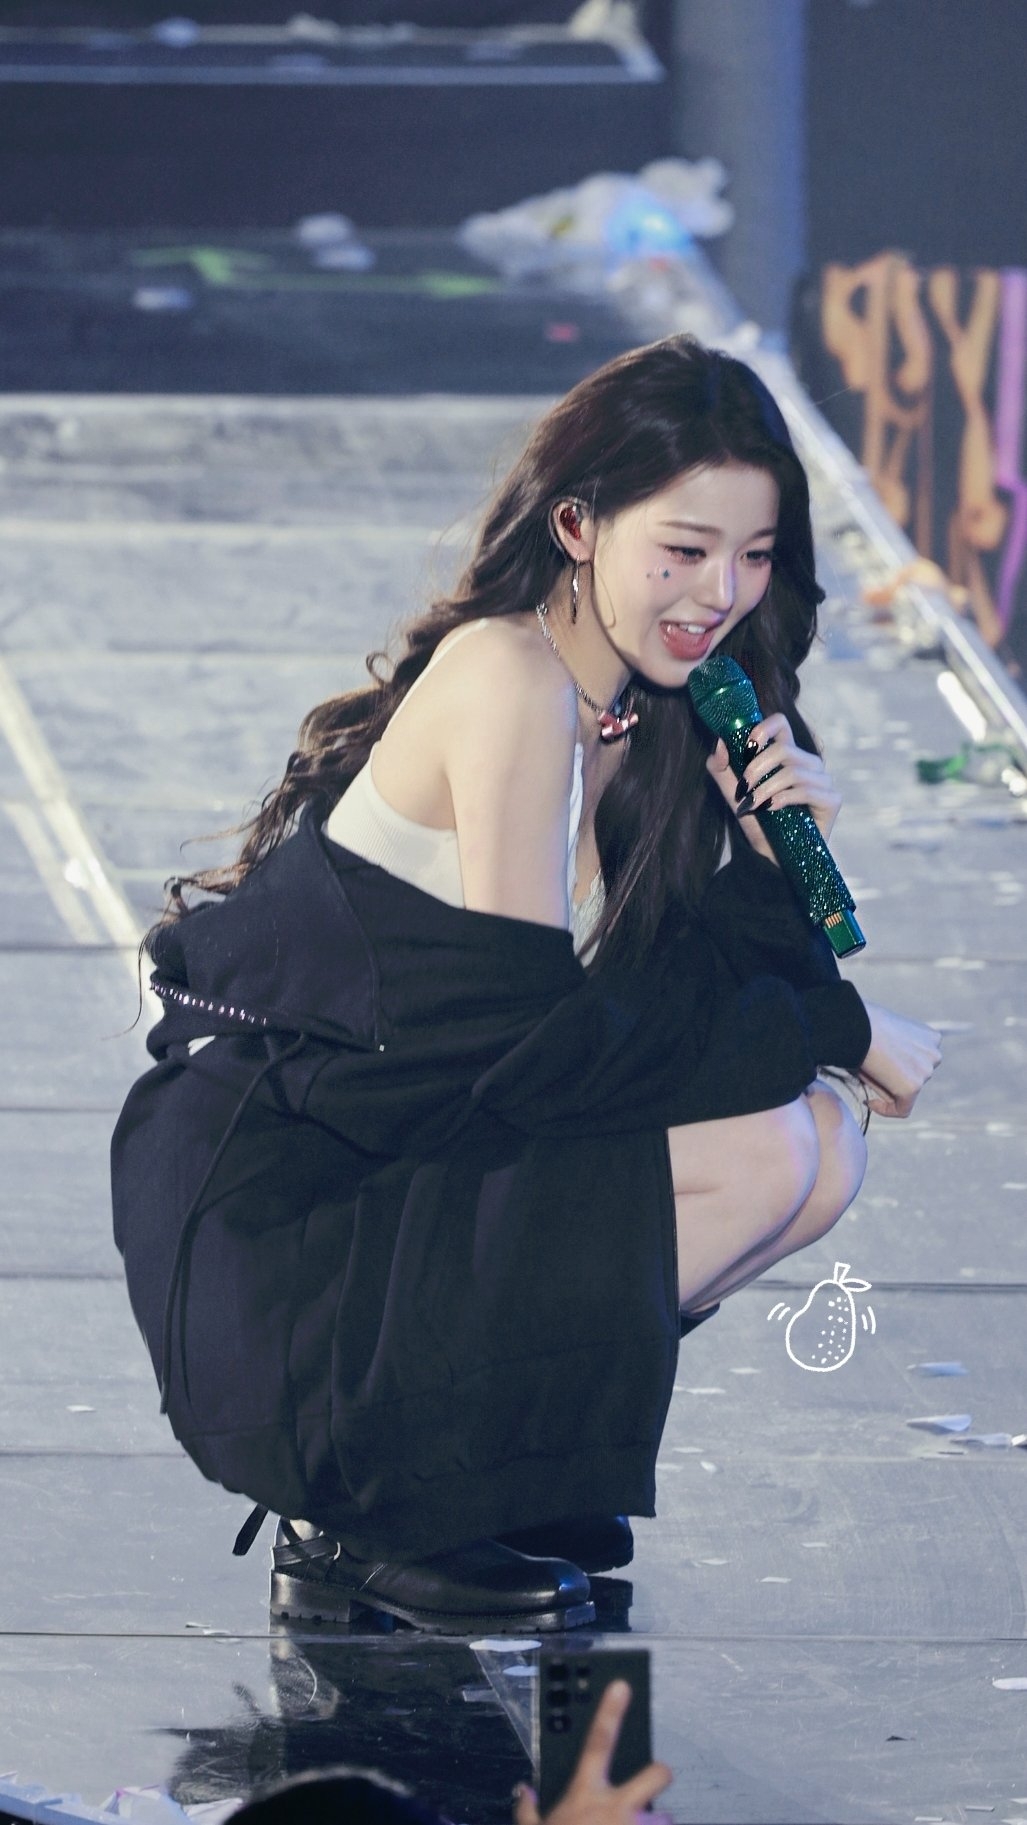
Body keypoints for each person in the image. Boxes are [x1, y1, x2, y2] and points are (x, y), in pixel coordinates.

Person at [111, 335, 941, 1636]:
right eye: (684, 549)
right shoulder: (509, 681)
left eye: (754, 554)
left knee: (821, 1146)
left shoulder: (655, 714)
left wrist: (770, 866)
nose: (721, 592)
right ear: (577, 524)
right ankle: (366, 1514)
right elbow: (544, 1055)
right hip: (293, 1220)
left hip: (425, 1164)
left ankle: (488, 1474)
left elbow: (649, 1031)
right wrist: (837, 1018)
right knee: (778, 1139)